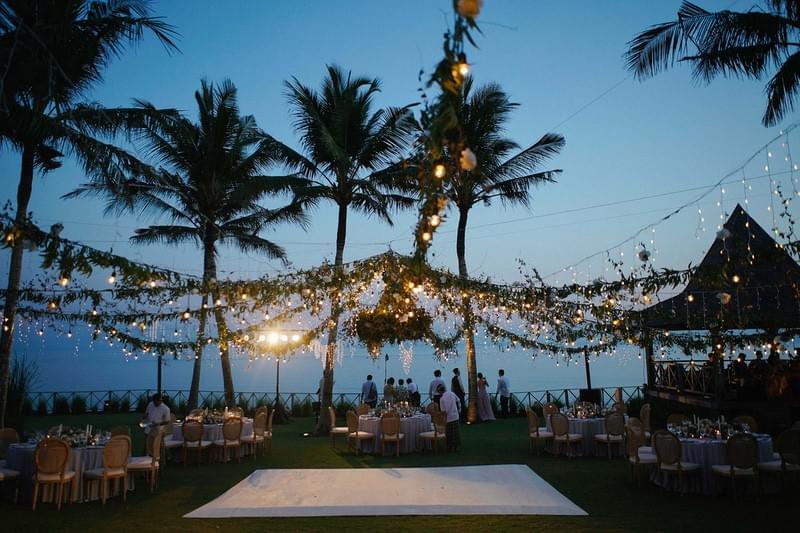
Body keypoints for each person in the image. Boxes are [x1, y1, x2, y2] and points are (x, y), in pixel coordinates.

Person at [437, 383, 461, 452]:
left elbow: (443, 411)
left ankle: (450, 447)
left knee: (449, 434)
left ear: (440, 391)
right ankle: (456, 447)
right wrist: (459, 409)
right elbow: (458, 400)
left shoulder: (442, 399)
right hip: (455, 416)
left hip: (449, 418)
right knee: (456, 433)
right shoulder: (452, 393)